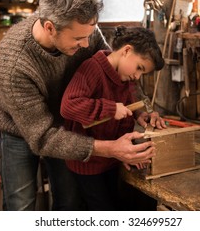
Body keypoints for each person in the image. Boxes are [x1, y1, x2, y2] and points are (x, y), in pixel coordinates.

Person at [0, 0, 164, 211]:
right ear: (50, 27)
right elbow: (42, 137)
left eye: (89, 36)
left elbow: (115, 72)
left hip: (65, 123)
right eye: (78, 39)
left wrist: (140, 109)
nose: (86, 44)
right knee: (21, 204)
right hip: (22, 129)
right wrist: (110, 148)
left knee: (70, 200)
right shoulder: (14, 64)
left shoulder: (83, 29)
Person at [60, 26, 166, 210]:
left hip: (112, 160)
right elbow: (68, 106)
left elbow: (128, 105)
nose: (137, 76)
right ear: (126, 50)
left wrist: (141, 114)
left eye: (143, 73)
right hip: (89, 165)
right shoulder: (92, 68)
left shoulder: (125, 78)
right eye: (139, 68)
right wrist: (109, 109)